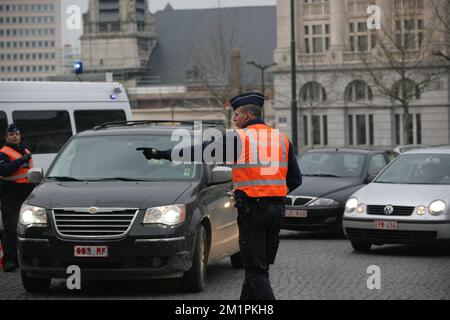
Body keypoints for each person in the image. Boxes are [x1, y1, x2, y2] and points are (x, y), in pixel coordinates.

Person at [138, 92, 302, 300]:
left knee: (256, 272)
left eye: (236, 115)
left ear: (248, 117)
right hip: (276, 212)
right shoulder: (281, 139)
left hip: (254, 213)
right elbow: (296, 180)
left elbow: (200, 151)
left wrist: (163, 154)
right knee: (258, 269)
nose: (234, 119)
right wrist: (273, 194)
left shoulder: (239, 138)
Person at [0, 124, 34, 272]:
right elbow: (5, 171)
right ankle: (10, 260)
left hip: (26, 192)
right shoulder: (3, 152)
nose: (14, 136)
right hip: (10, 193)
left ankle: (27, 257)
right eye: (11, 134)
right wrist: (21, 160)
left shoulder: (25, 150)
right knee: (11, 228)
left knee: (29, 227)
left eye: (17, 134)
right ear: (6, 137)